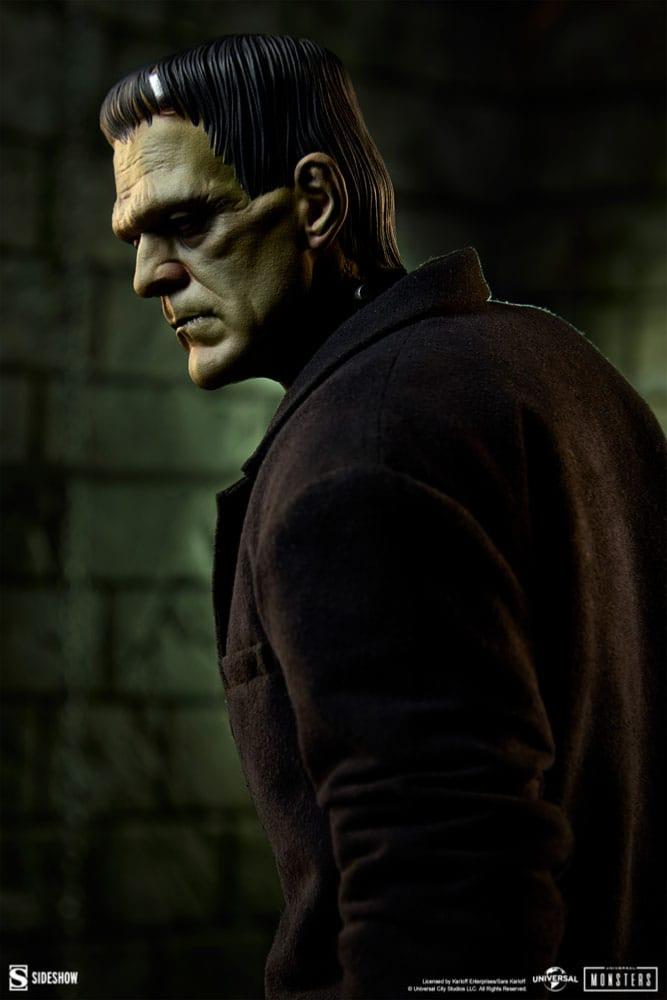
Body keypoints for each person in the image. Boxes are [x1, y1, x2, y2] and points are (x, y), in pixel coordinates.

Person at [100, 35, 665, 1000]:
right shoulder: (560, 367)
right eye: (136, 239)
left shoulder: (357, 453)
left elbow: (442, 894)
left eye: (187, 222)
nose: (151, 274)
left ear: (316, 202)